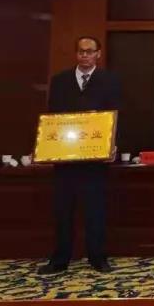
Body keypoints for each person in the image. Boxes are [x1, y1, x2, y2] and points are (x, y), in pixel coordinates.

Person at [39, 36, 122, 275]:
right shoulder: (60, 81)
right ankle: (60, 259)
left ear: (98, 54)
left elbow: (116, 115)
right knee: (63, 210)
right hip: (65, 158)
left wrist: (113, 146)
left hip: (95, 159)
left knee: (95, 210)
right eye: (81, 51)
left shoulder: (110, 81)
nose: (85, 55)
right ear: (76, 54)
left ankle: (98, 258)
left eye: (89, 51)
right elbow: (52, 117)